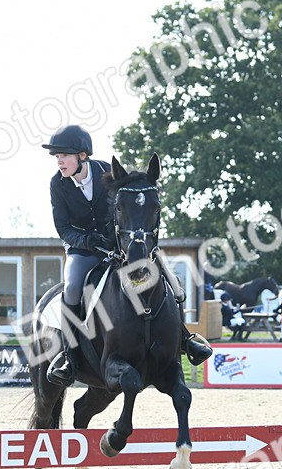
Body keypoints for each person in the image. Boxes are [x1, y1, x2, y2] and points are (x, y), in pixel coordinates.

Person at [41, 125, 211, 384]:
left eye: (64, 155)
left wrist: (123, 240)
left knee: (168, 280)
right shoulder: (57, 184)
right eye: (57, 157)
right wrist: (86, 240)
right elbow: (63, 228)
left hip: (119, 244)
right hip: (82, 250)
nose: (59, 161)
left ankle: (184, 337)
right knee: (73, 288)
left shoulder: (105, 174)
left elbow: (128, 209)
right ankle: (68, 355)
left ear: (82, 156)